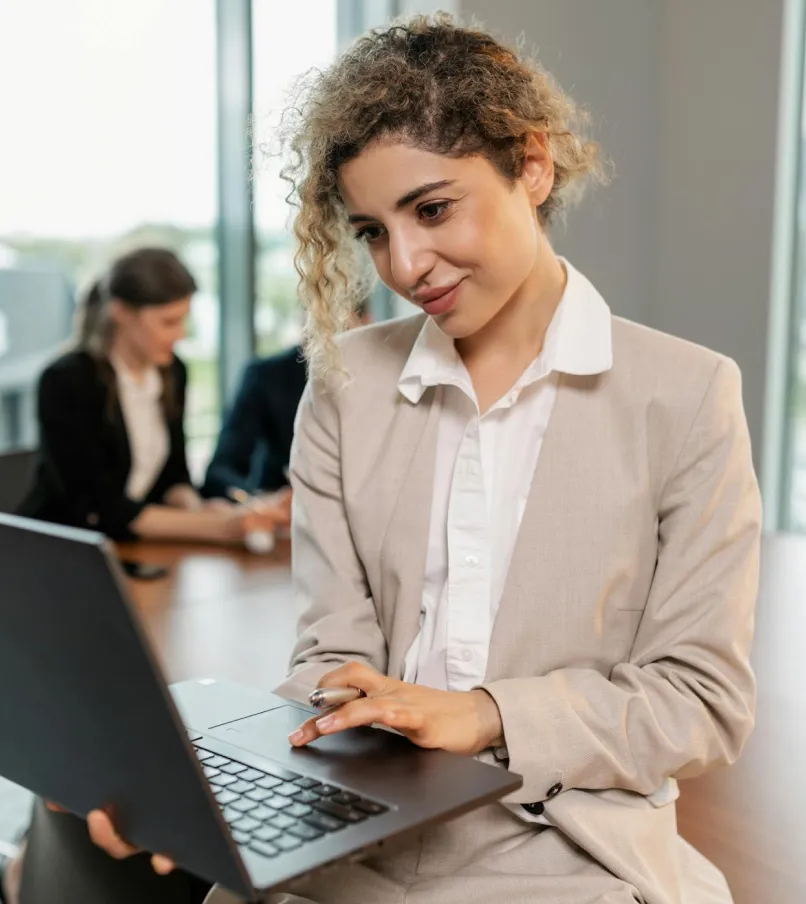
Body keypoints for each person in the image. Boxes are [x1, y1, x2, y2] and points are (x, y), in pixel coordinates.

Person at [5, 14, 761, 904]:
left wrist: (483, 714)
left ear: (532, 163)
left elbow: (701, 700)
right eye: (370, 231)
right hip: (350, 828)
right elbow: (331, 651)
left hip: (567, 838)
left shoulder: (685, 395)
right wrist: (209, 794)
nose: (404, 265)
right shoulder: (343, 388)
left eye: (432, 208)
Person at [16, 247, 289, 547]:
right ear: (121, 312)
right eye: (168, 322)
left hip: (135, 548)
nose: (180, 335)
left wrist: (198, 508)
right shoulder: (67, 380)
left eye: (184, 320)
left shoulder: (172, 371)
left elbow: (173, 477)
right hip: (62, 551)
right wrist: (218, 526)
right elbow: (97, 506)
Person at [200, 301, 371, 500]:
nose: (326, 346)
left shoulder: (385, 377)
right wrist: (257, 502)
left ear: (366, 323)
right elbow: (220, 472)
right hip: (283, 511)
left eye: (338, 330)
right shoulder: (266, 376)